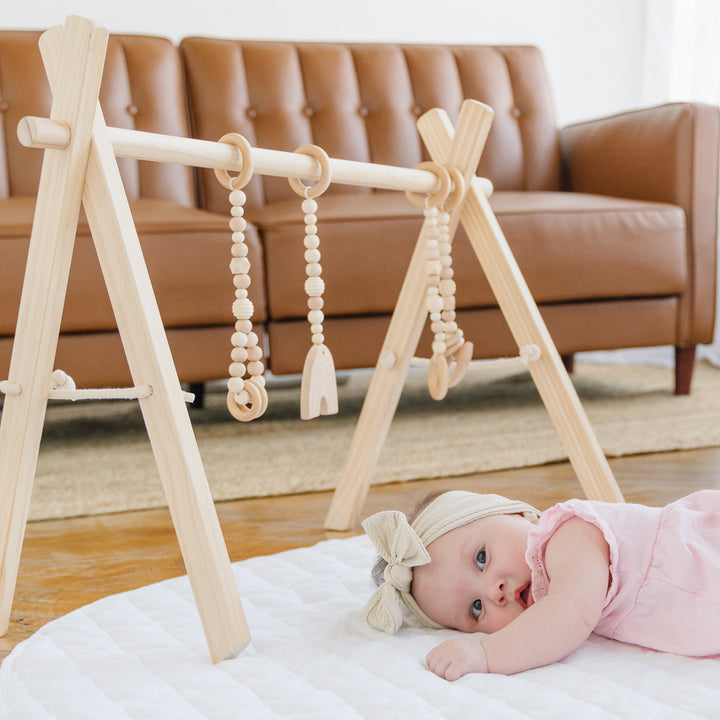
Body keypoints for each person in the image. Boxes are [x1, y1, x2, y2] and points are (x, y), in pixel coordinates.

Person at [362, 489, 720, 679]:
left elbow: (571, 614)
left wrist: (486, 653)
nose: (493, 591)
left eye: (482, 558)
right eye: (476, 609)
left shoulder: (569, 534)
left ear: (521, 514)